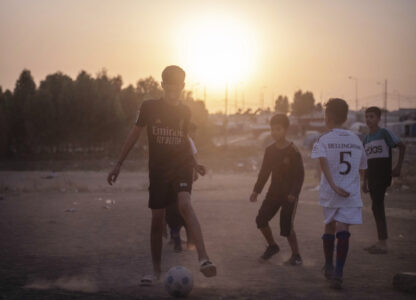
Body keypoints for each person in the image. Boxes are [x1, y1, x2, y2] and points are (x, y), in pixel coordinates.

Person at [107, 65, 216, 285]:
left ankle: (204, 258)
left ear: (183, 86)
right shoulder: (149, 107)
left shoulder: (185, 111)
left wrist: (195, 164)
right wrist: (118, 164)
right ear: (163, 85)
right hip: (158, 171)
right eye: (169, 85)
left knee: (185, 204)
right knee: (157, 220)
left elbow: (186, 140)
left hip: (181, 166)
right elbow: (134, 134)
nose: (173, 89)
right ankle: (156, 272)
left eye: (178, 86)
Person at [311, 98, 367, 289]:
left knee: (329, 227)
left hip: (331, 192)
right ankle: (338, 273)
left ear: (329, 117)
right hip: (350, 193)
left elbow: (322, 164)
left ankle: (328, 266)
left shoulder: (323, 139)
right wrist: (363, 184)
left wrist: (334, 186)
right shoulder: (357, 139)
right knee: (344, 229)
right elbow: (362, 166)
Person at [250, 114, 304, 265]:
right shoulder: (270, 150)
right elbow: (264, 172)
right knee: (261, 219)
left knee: (286, 226)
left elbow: (299, 176)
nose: (274, 132)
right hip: (273, 193)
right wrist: (256, 190)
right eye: (272, 129)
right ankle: (272, 246)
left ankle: (296, 255)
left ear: (286, 130)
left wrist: (294, 193)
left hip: (289, 196)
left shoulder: (293, 150)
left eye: (278, 129)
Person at [362, 106, 406, 254]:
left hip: (382, 175)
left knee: (377, 206)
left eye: (372, 117)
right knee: (376, 207)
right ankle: (381, 241)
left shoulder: (384, 133)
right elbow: (366, 162)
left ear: (379, 118)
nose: (369, 120)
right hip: (372, 177)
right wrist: (364, 181)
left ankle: (383, 243)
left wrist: (397, 167)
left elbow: (401, 146)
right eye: (367, 117)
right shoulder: (367, 138)